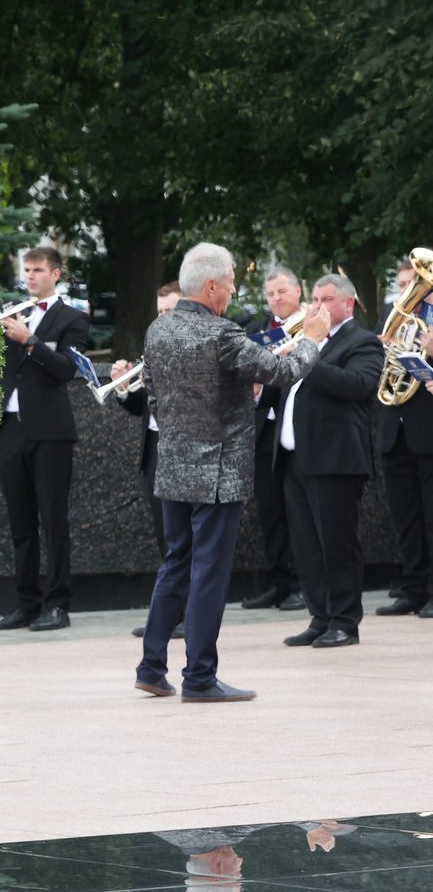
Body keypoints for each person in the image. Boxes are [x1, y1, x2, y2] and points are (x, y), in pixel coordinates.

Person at [135, 242, 323, 702]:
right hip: (218, 472)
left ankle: (152, 665)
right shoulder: (222, 333)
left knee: (175, 564)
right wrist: (314, 337)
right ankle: (199, 677)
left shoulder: (157, 330)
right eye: (233, 280)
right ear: (212, 284)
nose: (235, 289)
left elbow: (154, 394)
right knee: (209, 572)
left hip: (173, 465)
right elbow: (283, 370)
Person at [279, 274, 386, 649]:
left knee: (337, 544)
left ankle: (344, 621)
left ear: (347, 304)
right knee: (306, 545)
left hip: (335, 458)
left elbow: (357, 386)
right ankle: (320, 615)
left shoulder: (363, 342)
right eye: (315, 300)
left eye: (326, 300)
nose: (317, 307)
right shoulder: (304, 341)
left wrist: (307, 358)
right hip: (296, 457)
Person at [0, 246, 91, 631]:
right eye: (26, 270)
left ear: (56, 274)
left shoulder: (72, 318)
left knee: (53, 519)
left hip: (50, 431)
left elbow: (67, 370)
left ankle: (58, 603)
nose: (30, 277)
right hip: (10, 428)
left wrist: (29, 340)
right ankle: (26, 602)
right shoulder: (15, 312)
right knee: (20, 521)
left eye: (37, 270)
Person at [113, 282, 184, 641]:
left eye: (169, 311)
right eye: (159, 312)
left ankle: (185, 614)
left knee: (182, 538)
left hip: (180, 449)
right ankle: (168, 614)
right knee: (164, 535)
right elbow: (141, 408)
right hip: (154, 448)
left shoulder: (187, 348)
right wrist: (125, 388)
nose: (162, 318)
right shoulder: (154, 345)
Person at [240, 265, 309, 611]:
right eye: (270, 294)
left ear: (299, 291)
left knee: (297, 512)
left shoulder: (311, 326)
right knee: (270, 511)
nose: (276, 298)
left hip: (297, 432)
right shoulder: (257, 330)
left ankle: (301, 583)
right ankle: (277, 581)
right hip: (265, 430)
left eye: (282, 291)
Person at [374, 257, 433, 619]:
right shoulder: (396, 317)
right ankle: (412, 587)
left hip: (427, 428)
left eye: (416, 283)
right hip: (394, 427)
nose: (408, 291)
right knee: (405, 516)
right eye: (403, 283)